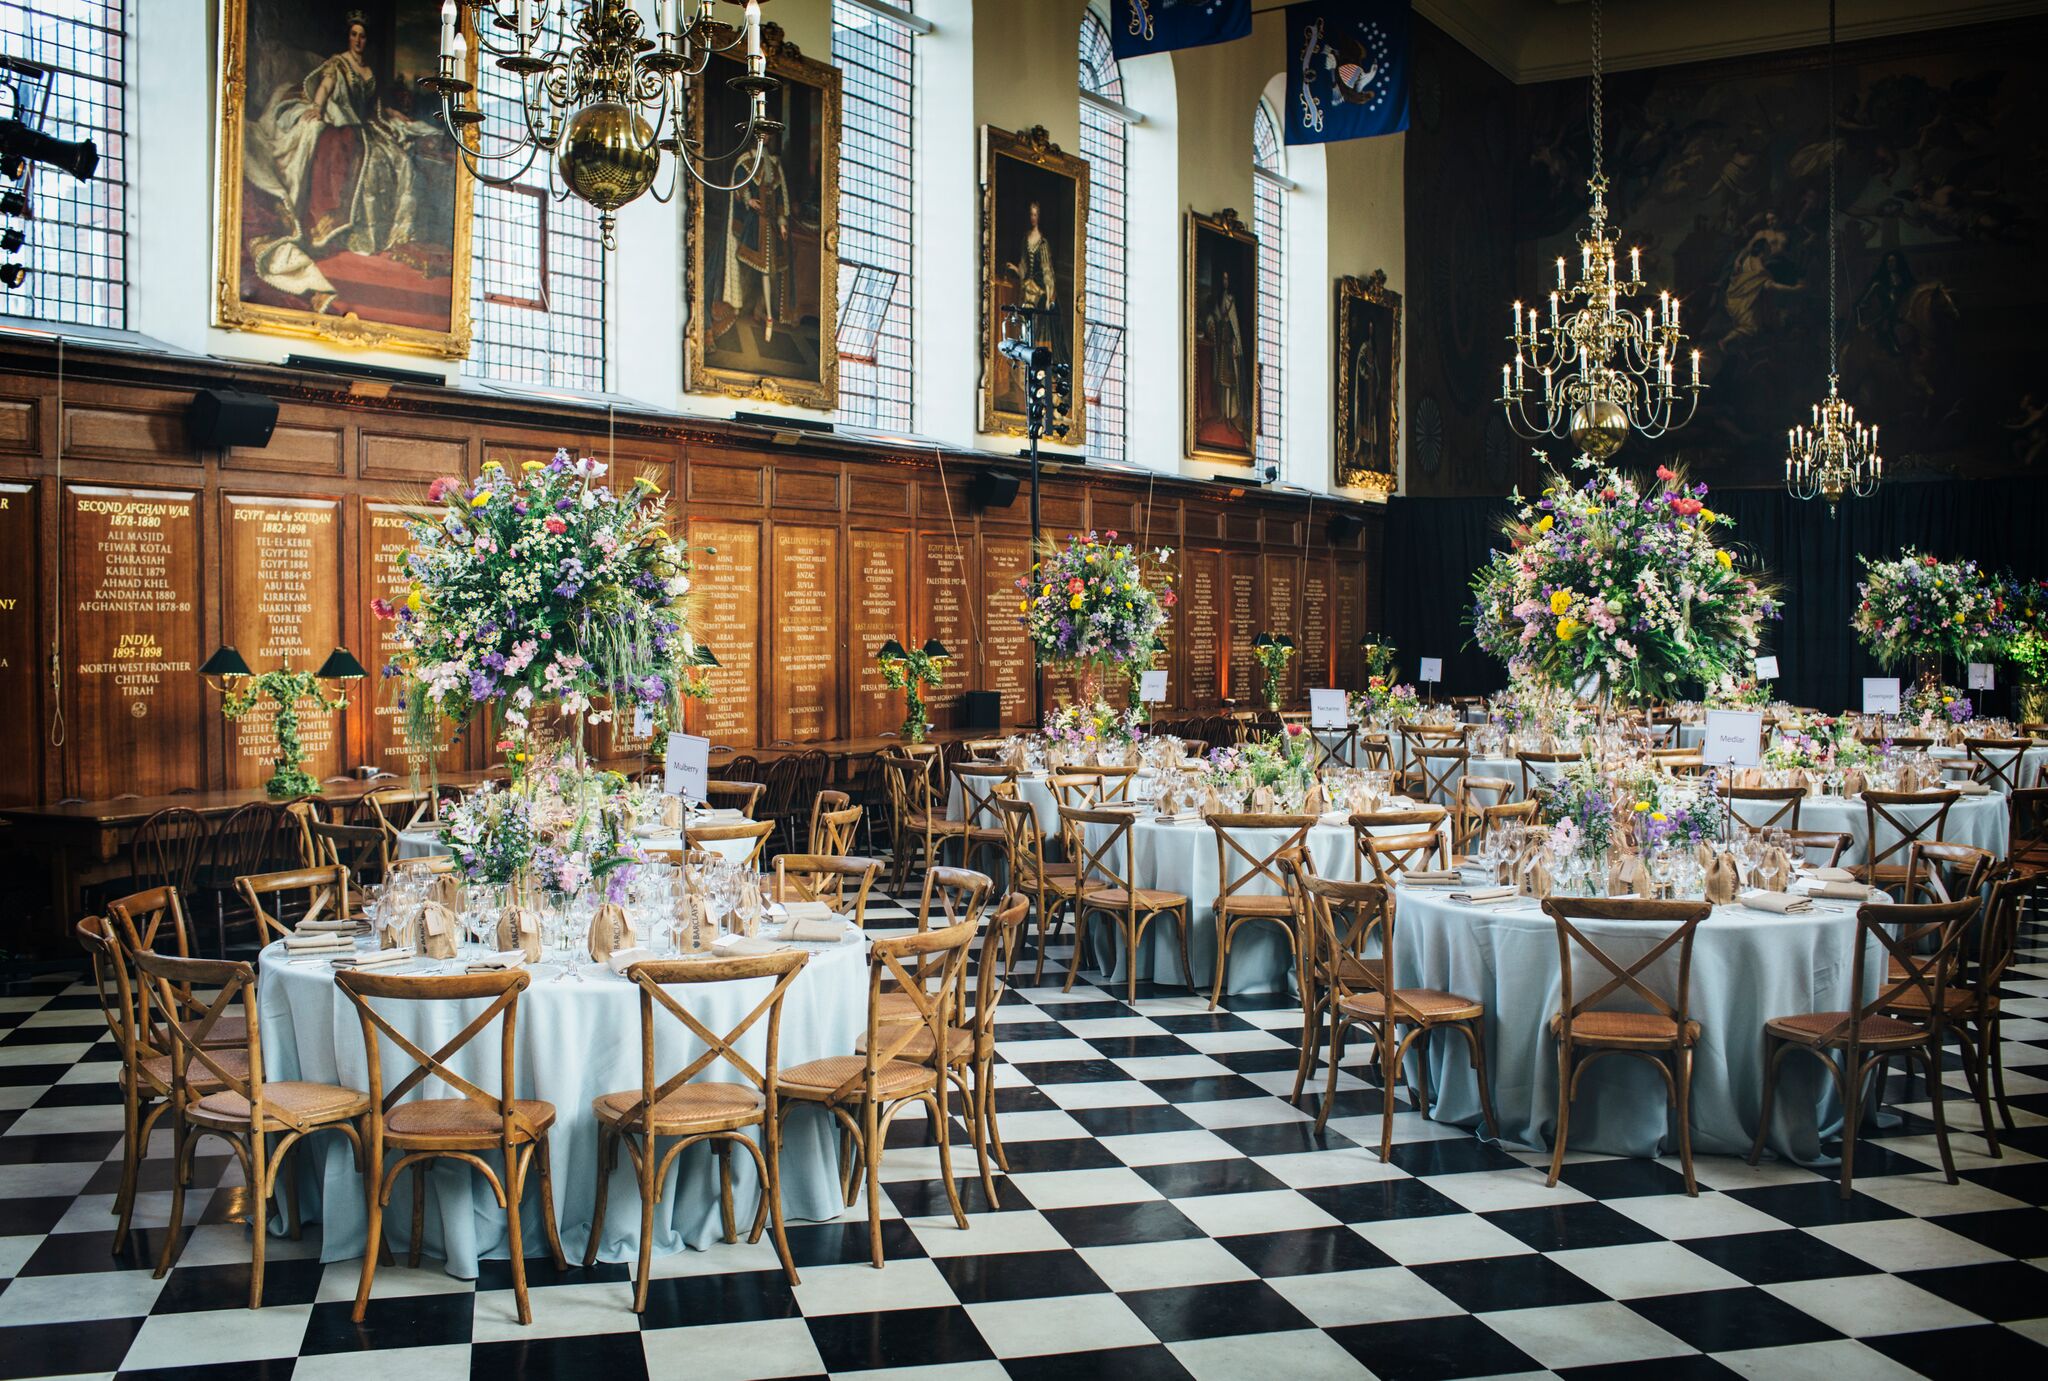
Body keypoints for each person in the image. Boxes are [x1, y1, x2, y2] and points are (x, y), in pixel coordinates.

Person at [241, 11, 443, 314]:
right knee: (351, 149)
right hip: (338, 116)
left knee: (395, 157)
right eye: (354, 35)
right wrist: (317, 109)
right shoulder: (338, 63)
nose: (358, 41)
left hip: (360, 121)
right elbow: (325, 87)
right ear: (349, 37)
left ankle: (384, 234)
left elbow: (373, 107)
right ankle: (335, 229)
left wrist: (397, 118)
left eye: (362, 36)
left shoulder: (368, 71)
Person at [723, 132, 792, 343]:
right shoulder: (746, 161)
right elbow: (740, 184)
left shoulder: (773, 163)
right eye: (763, 136)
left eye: (768, 136)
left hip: (769, 224)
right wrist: (748, 200)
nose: (767, 139)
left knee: (768, 271)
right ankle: (738, 307)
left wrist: (781, 223)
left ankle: (766, 314)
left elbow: (779, 197)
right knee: (747, 265)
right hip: (754, 223)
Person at [1006, 200, 1059, 396]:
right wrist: (1016, 270)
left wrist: (1048, 294)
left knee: (1036, 333)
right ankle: (1022, 375)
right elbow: (1024, 266)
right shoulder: (1025, 239)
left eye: (1036, 214)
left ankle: (1038, 377)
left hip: (1038, 291)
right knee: (1022, 330)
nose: (1032, 218)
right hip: (1026, 288)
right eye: (1031, 214)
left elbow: (1046, 270)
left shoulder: (1042, 243)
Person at [1205, 268, 1247, 442]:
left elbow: (1234, 324)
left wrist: (1235, 344)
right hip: (1221, 345)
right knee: (1221, 382)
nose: (1225, 282)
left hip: (1229, 348)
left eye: (1227, 279)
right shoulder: (1219, 300)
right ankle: (1223, 413)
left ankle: (1230, 415)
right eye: (1223, 279)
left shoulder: (1231, 300)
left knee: (1229, 384)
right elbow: (1214, 318)